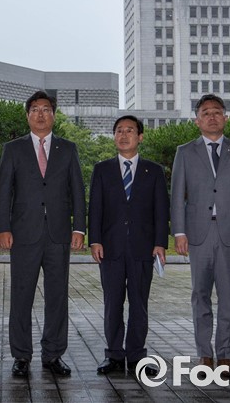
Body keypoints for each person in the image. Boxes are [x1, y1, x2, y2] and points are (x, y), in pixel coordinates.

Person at [0, 90, 86, 377]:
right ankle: (21, 356)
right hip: (23, 233)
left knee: (57, 296)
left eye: (46, 109)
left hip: (59, 233)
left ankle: (53, 354)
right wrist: (3, 227)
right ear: (27, 115)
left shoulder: (68, 149)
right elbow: (4, 191)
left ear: (54, 115)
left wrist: (79, 227)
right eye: (35, 109)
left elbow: (77, 190)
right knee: (21, 295)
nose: (40, 114)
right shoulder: (13, 149)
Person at [170, 94, 230, 379]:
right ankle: (204, 353)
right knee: (200, 295)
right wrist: (179, 232)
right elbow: (177, 194)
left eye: (217, 112)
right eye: (206, 113)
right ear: (197, 120)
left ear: (226, 118)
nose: (212, 117)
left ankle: (226, 354)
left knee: (228, 296)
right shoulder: (185, 152)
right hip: (198, 233)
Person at [89, 116, 169, 376]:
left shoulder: (153, 171)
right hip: (110, 248)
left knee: (139, 303)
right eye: (119, 131)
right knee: (112, 303)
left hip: (142, 248)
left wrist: (160, 243)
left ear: (140, 137)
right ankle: (113, 355)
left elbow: (161, 210)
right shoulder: (102, 169)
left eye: (130, 131)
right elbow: (95, 208)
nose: (124, 135)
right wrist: (95, 240)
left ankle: (136, 355)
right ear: (114, 136)